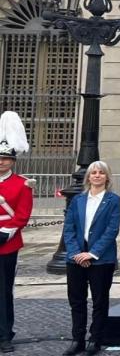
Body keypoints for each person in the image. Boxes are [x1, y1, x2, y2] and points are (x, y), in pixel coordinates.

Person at [63, 161, 120, 356]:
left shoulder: (113, 200)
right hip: (76, 258)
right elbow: (69, 228)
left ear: (107, 177)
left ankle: (95, 339)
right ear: (88, 177)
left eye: (101, 173)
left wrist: (92, 253)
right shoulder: (77, 200)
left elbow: (111, 229)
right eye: (93, 172)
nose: (97, 175)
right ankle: (77, 339)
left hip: (101, 259)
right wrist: (76, 253)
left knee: (99, 301)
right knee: (77, 300)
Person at [0, 111, 32, 353]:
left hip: (6, 243)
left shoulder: (22, 184)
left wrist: (5, 232)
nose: (1, 162)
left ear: (13, 161)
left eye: (5, 159)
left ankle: (4, 335)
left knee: (3, 292)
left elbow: (22, 214)